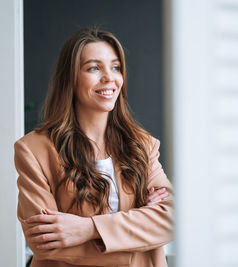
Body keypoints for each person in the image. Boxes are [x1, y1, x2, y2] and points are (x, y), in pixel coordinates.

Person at [14, 28, 174, 267]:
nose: (109, 77)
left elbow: (171, 219)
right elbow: (45, 243)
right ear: (71, 78)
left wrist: (88, 228)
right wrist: (140, 236)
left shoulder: (143, 144)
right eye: (94, 68)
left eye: (116, 67)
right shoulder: (33, 150)